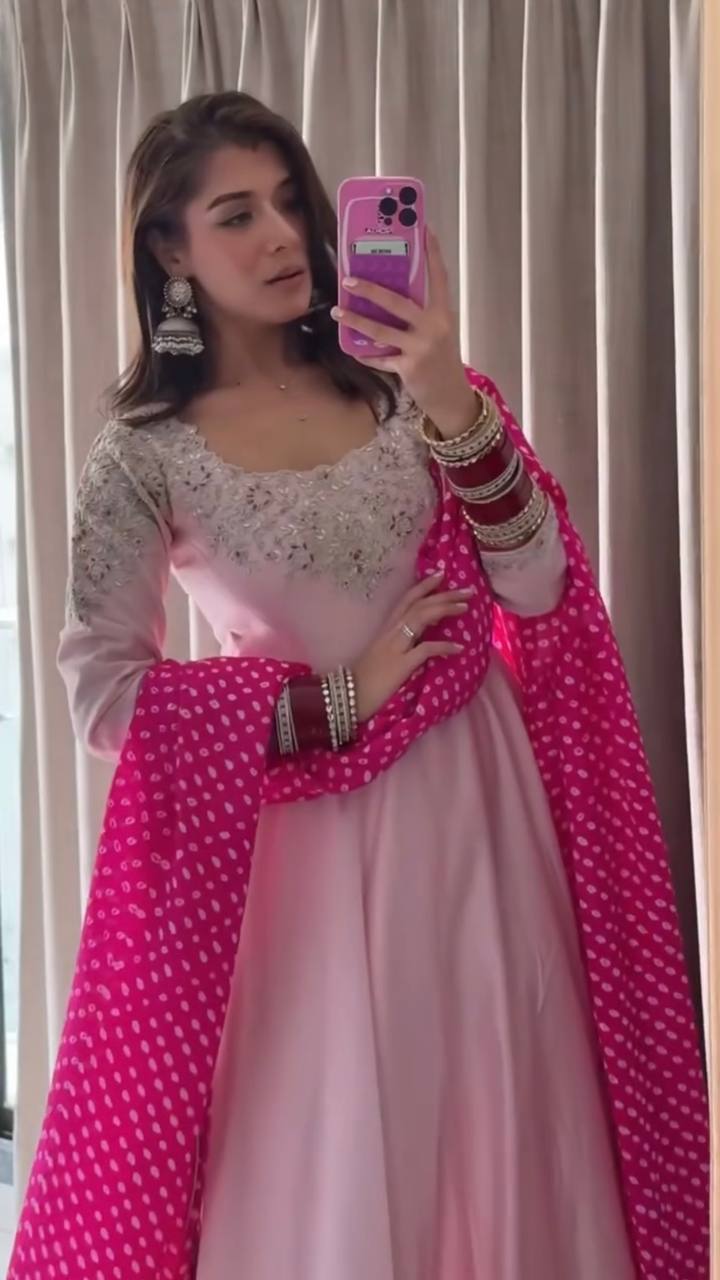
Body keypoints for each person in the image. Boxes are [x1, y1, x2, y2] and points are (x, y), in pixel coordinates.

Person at [8, 91, 708, 1280]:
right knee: (333, 1140)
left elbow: (538, 585)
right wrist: (340, 696)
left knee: (495, 1104)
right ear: (170, 248)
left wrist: (445, 390)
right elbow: (104, 698)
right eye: (238, 214)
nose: (285, 235)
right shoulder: (143, 453)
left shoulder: (401, 390)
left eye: (292, 201)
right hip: (305, 857)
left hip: (477, 808)